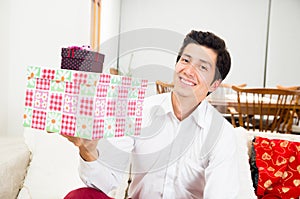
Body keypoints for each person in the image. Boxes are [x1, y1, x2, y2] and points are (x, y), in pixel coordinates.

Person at [63, 30, 239, 199]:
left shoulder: (221, 134)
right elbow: (104, 183)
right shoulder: (140, 111)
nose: (188, 71)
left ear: (214, 84)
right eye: (186, 60)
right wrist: (89, 150)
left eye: (202, 67)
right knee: (80, 196)